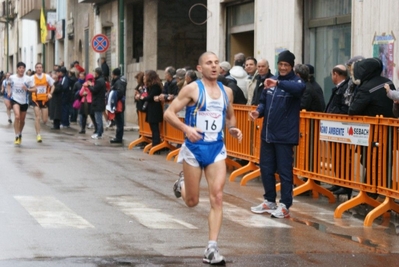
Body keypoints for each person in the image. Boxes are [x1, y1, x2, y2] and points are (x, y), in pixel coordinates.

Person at [164, 52, 242, 265]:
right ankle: (182, 185)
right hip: (194, 149)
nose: (214, 66)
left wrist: (233, 128)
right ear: (200, 68)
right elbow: (169, 113)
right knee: (192, 201)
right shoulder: (191, 89)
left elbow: (230, 114)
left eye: (216, 63)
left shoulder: (227, 92)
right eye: (209, 63)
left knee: (217, 196)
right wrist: (186, 128)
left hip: (216, 150)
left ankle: (211, 248)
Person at [249, 50, 305, 218]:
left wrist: (278, 84)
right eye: (280, 64)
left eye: (286, 65)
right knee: (266, 169)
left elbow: (299, 89)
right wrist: (258, 112)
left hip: (285, 136)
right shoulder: (271, 83)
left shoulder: (296, 82)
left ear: (291, 66)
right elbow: (263, 103)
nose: (283, 67)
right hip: (268, 134)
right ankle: (269, 200)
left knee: (285, 171)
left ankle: (285, 204)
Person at [324, 65, 351, 196]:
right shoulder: (340, 87)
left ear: (335, 74)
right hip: (334, 127)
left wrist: (332, 115)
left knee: (342, 157)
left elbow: (344, 107)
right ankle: (338, 182)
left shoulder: (346, 87)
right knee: (336, 156)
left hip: (341, 127)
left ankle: (344, 184)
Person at [6, 62, 35, 145]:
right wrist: (9, 92)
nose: (21, 69)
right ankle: (16, 135)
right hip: (15, 99)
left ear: (24, 69)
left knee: (22, 120)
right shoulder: (12, 77)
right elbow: (8, 85)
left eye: (23, 68)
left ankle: (20, 133)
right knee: (17, 116)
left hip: (24, 101)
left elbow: (35, 89)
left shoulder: (28, 79)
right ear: (17, 69)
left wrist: (27, 89)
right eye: (20, 68)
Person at [32, 62, 55, 142]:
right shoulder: (32, 78)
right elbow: (29, 87)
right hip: (36, 100)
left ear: (42, 68)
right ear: (35, 69)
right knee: (37, 117)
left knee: (45, 120)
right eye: (37, 67)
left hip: (44, 100)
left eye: (40, 67)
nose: (39, 69)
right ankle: (38, 135)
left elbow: (53, 86)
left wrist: (50, 93)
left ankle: (42, 118)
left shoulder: (47, 77)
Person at [141, 70, 163, 147]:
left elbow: (150, 97)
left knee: (155, 128)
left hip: (155, 109)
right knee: (153, 128)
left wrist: (142, 97)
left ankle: (156, 144)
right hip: (151, 108)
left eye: (146, 76)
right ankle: (154, 143)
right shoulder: (150, 86)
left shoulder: (155, 86)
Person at [109, 68, 127, 144]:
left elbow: (119, 92)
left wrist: (114, 97)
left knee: (119, 121)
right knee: (119, 121)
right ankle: (118, 136)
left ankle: (118, 137)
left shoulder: (118, 82)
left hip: (118, 103)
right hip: (119, 103)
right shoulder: (119, 81)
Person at [89, 68, 106, 139]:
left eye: (95, 73)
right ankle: (99, 132)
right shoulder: (100, 80)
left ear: (97, 73)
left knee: (98, 119)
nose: (94, 74)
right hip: (99, 102)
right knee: (98, 118)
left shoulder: (99, 81)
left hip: (98, 102)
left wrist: (90, 86)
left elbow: (95, 90)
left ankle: (99, 133)